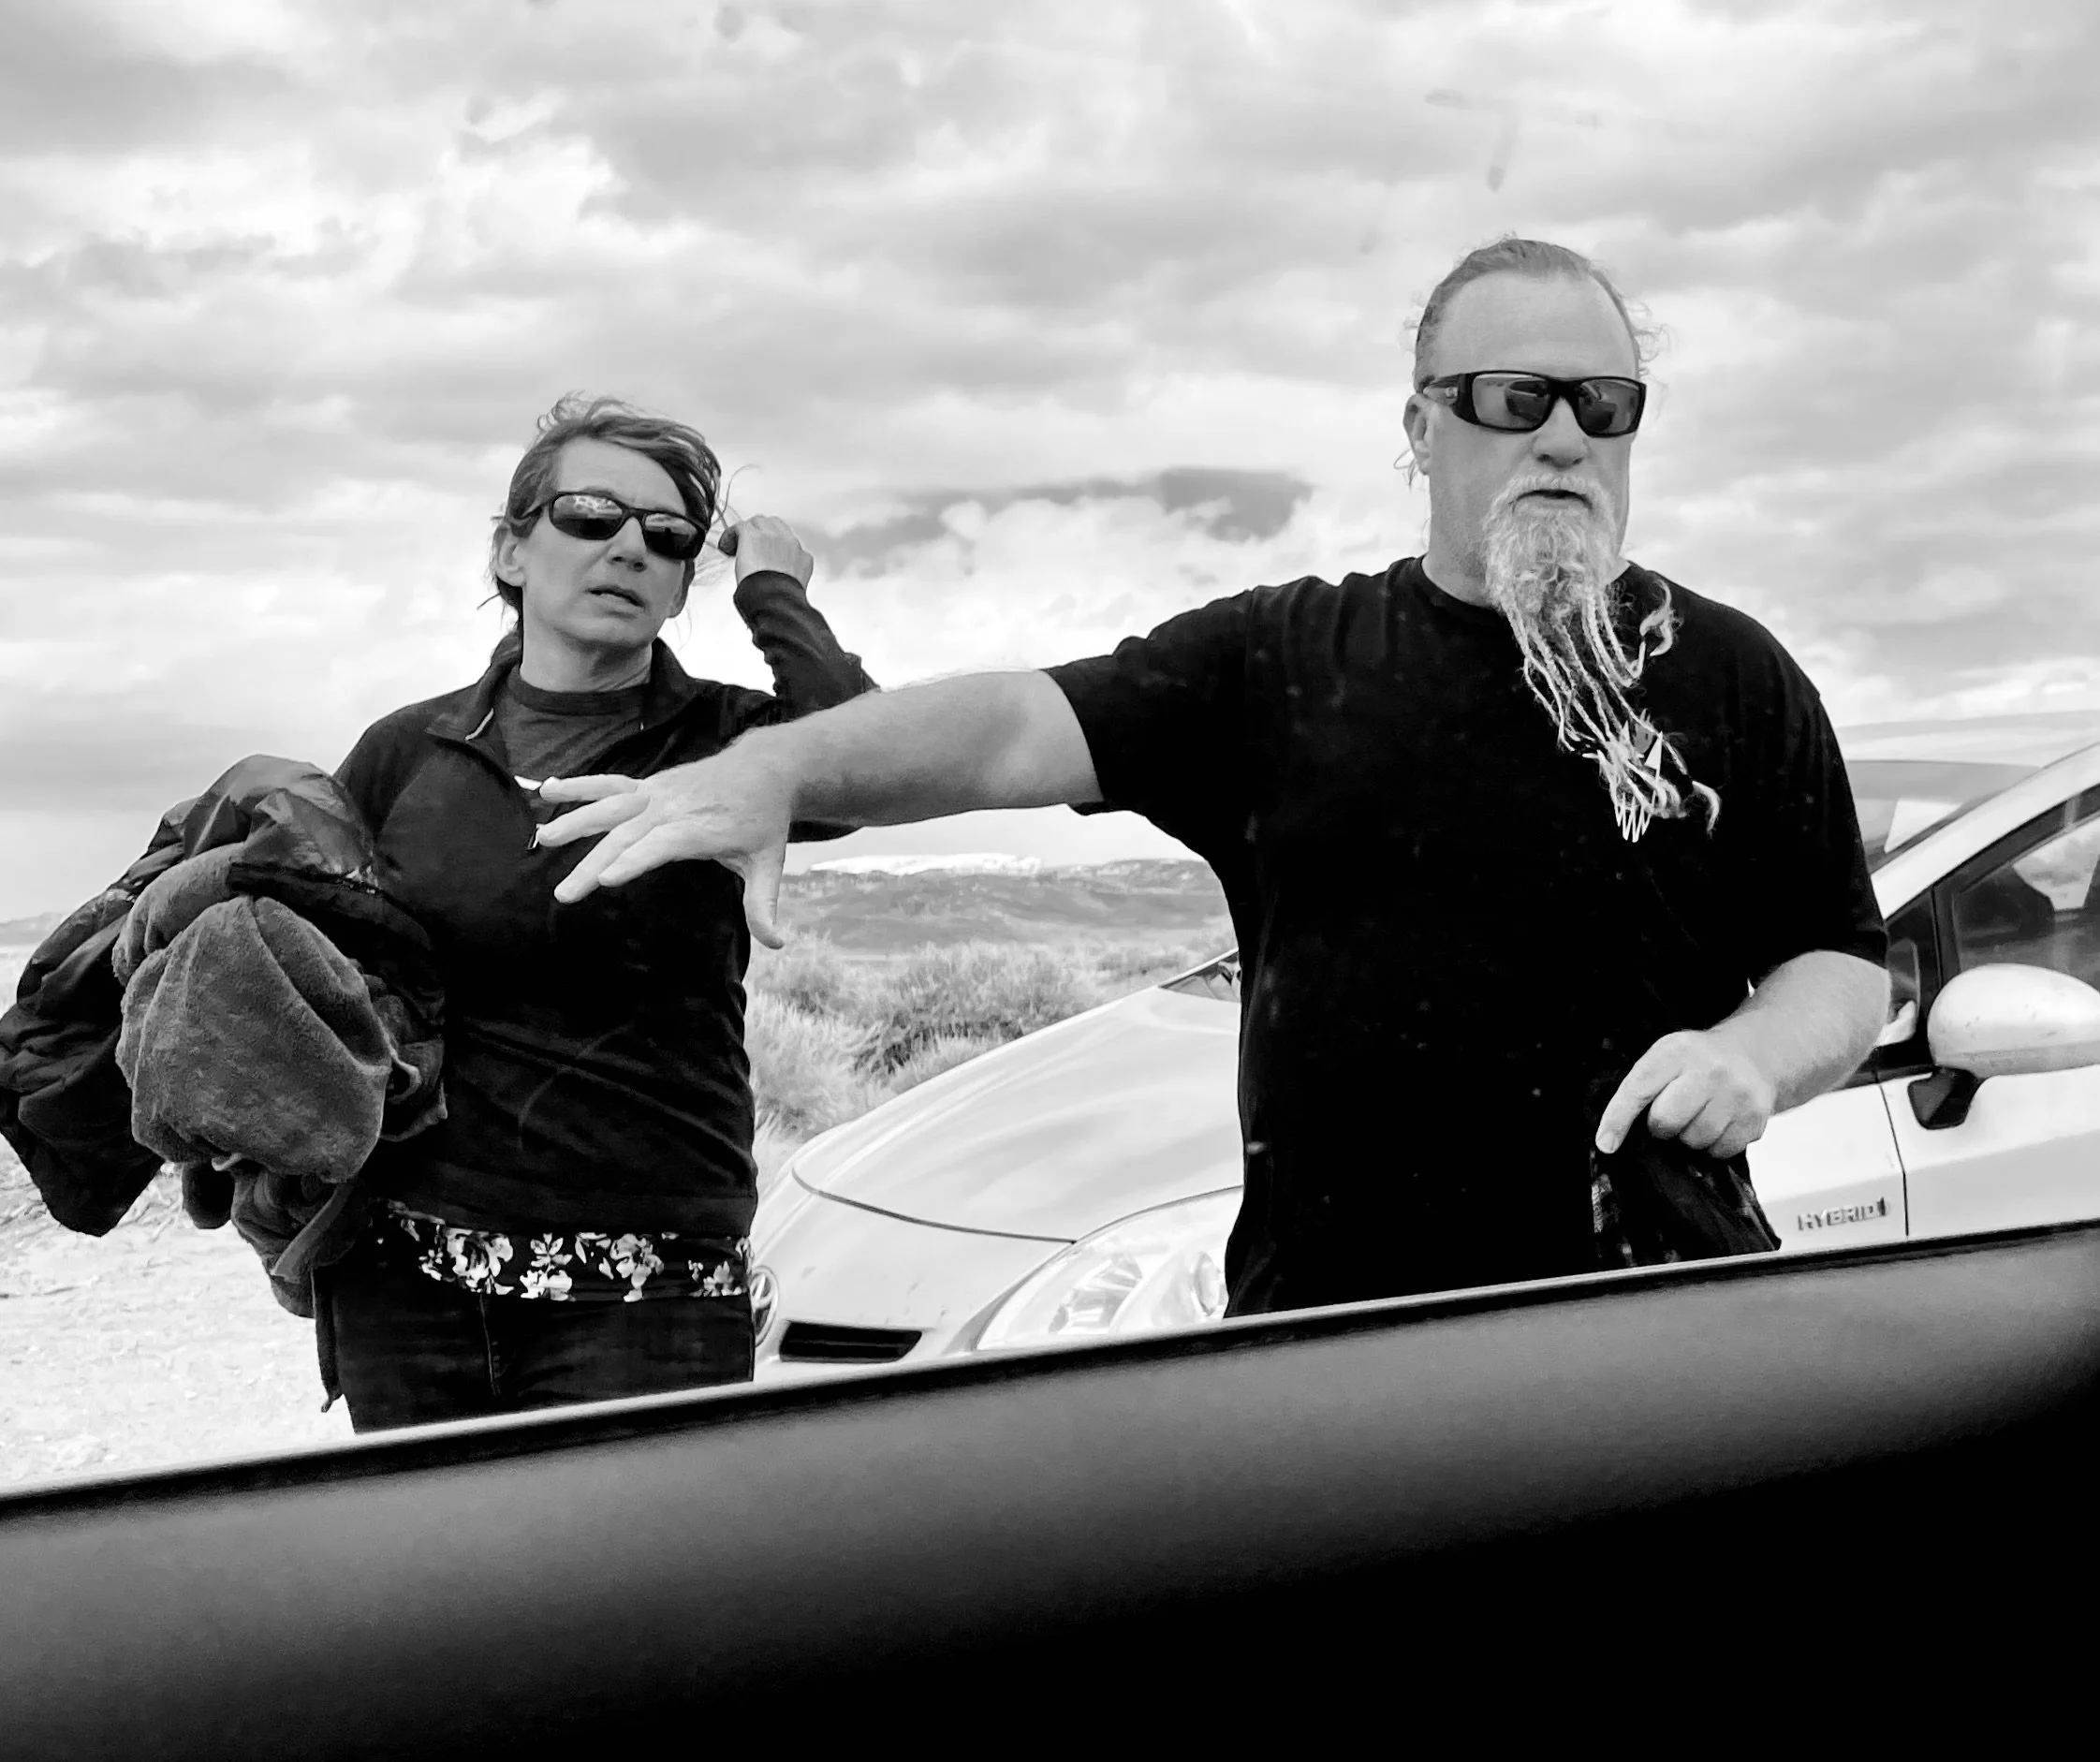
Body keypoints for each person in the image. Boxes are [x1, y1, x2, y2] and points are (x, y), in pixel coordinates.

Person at [533, 240, 1890, 1317]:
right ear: (1422, 426)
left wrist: (1750, 1054)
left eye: (1602, 405)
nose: (1561, 438)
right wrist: (779, 765)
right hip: (1333, 1336)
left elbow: (1837, 954)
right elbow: (1013, 724)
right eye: (1510, 399)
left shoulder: (1724, 672)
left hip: (1658, 1310)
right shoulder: (1282, 660)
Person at [323, 394, 875, 1429]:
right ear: (513, 550)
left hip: (647, 1278)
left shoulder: (732, 741)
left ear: (677, 594)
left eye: (667, 538)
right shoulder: (411, 750)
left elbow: (866, 761)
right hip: (407, 1270)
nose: (630, 545)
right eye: (589, 515)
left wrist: (771, 588)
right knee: (432, 1582)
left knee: (632, 1586)